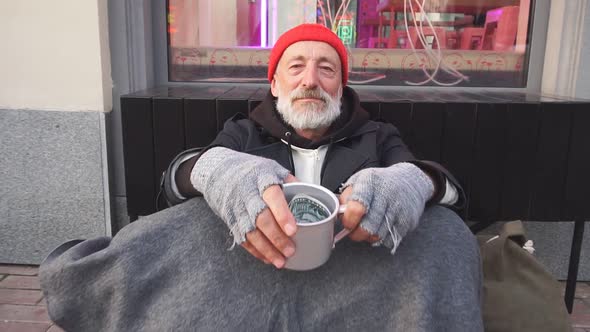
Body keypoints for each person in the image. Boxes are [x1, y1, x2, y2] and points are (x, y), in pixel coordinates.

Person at [40, 24, 483, 331]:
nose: (311, 80)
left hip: (356, 291)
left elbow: (448, 192)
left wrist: (412, 181)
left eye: (326, 69)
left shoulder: (377, 136)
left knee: (445, 234)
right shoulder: (244, 131)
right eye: (296, 67)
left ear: (342, 87)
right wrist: (217, 169)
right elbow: (175, 186)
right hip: (248, 285)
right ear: (275, 85)